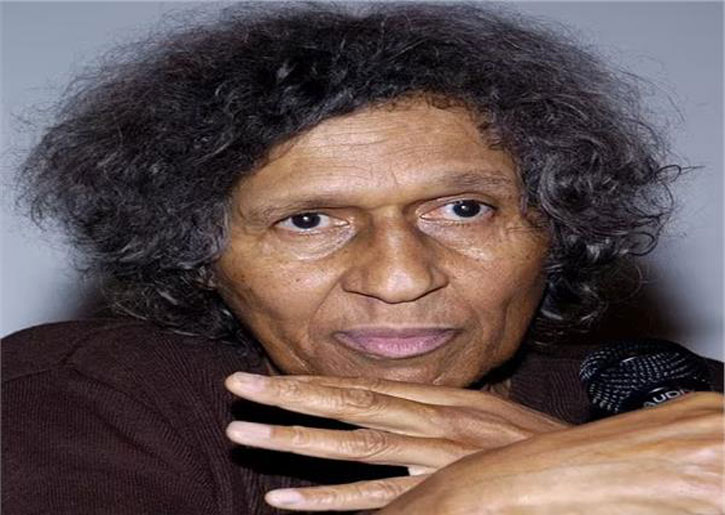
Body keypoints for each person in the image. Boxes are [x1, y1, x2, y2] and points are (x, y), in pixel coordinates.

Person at [3, 2, 722, 514]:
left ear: (557, 227)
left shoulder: (678, 403)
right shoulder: (90, 400)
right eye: (307, 221)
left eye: (463, 209)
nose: (400, 278)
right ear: (198, 253)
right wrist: (473, 498)